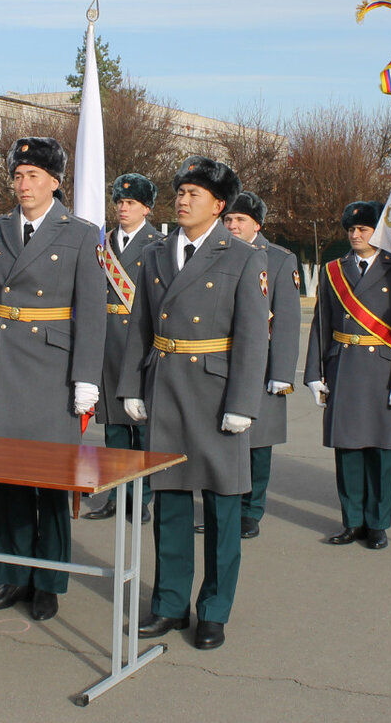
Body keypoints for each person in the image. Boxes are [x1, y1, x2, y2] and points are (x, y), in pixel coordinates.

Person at [118, 156, 268, 650]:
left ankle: (214, 611)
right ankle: (169, 604)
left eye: (194, 194)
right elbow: (141, 323)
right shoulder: (158, 252)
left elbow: (252, 337)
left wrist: (243, 401)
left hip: (216, 391)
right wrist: (131, 387)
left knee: (224, 510)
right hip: (166, 388)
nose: (183, 200)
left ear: (218, 205)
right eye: (180, 192)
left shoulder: (242, 256)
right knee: (171, 506)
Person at [0, 136, 106, 621]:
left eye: (34, 176)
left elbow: (92, 312)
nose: (24, 184)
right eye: (19, 175)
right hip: (3, 359)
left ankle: (48, 581)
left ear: (55, 182)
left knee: (51, 479)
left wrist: (87, 378)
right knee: (5, 479)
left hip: (53, 368)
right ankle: (11, 576)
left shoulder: (80, 233)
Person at [304, 201, 391, 551]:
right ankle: (352, 520)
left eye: (363, 229)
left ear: (378, 232)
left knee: (381, 453)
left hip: (383, 371)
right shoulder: (333, 271)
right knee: (348, 452)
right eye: (351, 230)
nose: (355, 235)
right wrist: (314, 372)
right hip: (343, 367)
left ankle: (378, 523)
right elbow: (320, 324)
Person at [220, 190, 300, 539]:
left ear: (257, 224)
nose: (233, 226)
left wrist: (281, 372)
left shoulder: (280, 259)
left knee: (257, 444)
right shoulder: (218, 251)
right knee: (222, 442)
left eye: (240, 220)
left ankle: (251, 511)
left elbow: (287, 319)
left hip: (262, 363)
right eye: (229, 220)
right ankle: (223, 508)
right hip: (221, 358)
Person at [86, 173, 160, 523]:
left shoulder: (159, 244)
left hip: (140, 342)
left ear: (146, 207)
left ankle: (140, 498)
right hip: (108, 343)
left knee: (142, 429)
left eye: (130, 202)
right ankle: (116, 495)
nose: (122, 208)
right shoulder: (104, 244)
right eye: (119, 202)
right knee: (114, 429)